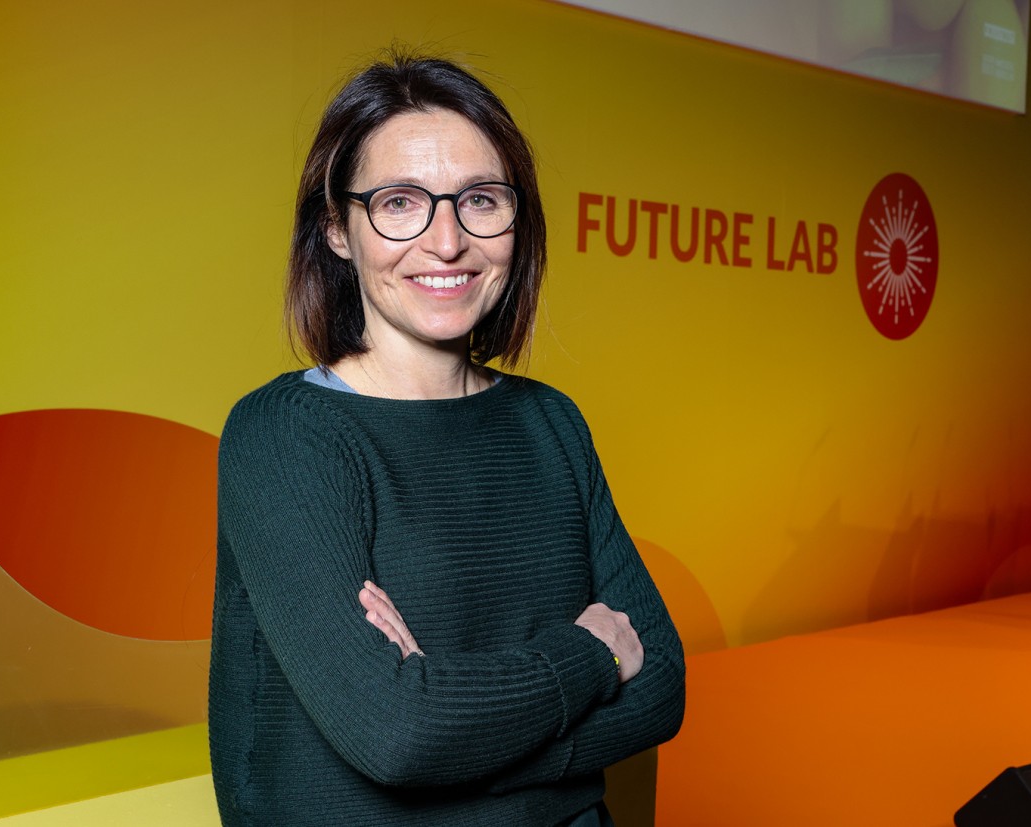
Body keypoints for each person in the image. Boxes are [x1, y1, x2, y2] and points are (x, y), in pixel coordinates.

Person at [209, 50, 686, 827]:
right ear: (337, 228)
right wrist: (591, 651)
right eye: (400, 203)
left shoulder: (551, 422)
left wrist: (462, 732)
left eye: (480, 200)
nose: (447, 241)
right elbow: (399, 735)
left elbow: (663, 683)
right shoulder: (287, 437)